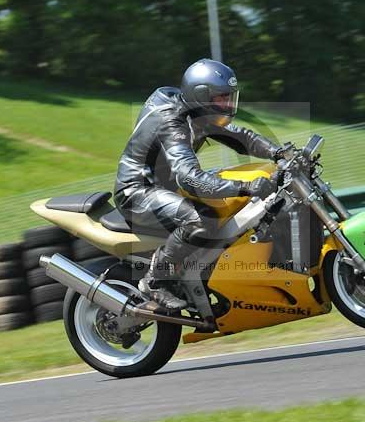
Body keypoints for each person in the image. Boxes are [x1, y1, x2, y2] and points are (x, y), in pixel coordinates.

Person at [113, 59, 283, 311]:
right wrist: (246, 187)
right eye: (221, 98)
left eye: (230, 98)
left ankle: (200, 275)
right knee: (200, 219)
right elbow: (189, 177)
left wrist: (280, 153)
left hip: (165, 187)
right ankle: (156, 280)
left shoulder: (199, 114)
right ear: (201, 96)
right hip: (137, 190)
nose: (228, 105)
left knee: (231, 210)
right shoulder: (173, 122)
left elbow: (242, 137)